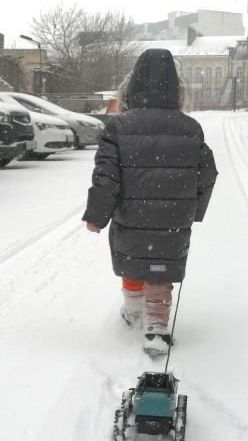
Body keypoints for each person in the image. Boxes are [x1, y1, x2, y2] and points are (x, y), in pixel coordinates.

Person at [82, 49, 218, 355]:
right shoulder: (190, 127)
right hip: (172, 218)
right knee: (160, 268)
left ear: (132, 88)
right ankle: (156, 328)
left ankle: (132, 315)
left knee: (134, 260)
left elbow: (106, 177)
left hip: (131, 215)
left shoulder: (117, 127)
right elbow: (208, 173)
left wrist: (97, 215)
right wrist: (192, 208)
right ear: (175, 87)